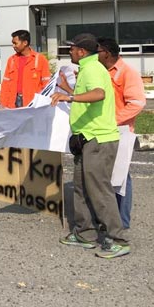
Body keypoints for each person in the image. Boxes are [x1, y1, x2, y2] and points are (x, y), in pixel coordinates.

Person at [51, 33, 128, 259]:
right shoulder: (88, 68)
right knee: (81, 187)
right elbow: (89, 95)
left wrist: (69, 98)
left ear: (82, 51)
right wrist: (68, 90)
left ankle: (117, 239)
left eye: (72, 48)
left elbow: (99, 94)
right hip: (86, 139)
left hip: (98, 139)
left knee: (99, 190)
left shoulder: (93, 69)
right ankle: (84, 233)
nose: (70, 52)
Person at [97, 37, 146, 229]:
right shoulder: (101, 71)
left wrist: (113, 120)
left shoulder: (127, 72)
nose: (95, 55)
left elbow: (137, 103)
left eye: (97, 51)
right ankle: (108, 218)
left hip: (121, 131)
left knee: (121, 177)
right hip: (104, 129)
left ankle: (122, 222)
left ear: (107, 53)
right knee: (105, 175)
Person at [0, 30, 52, 108]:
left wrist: (44, 103)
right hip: (14, 101)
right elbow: (5, 85)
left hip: (33, 103)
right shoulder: (12, 60)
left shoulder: (40, 59)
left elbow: (46, 84)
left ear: (25, 43)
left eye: (15, 43)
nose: (13, 46)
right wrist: (3, 104)